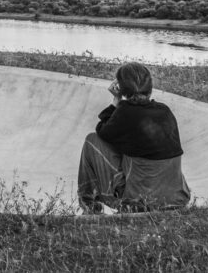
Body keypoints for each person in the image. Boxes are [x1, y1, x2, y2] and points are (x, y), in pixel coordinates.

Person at [77, 62, 191, 213]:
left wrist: (116, 101)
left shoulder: (125, 112)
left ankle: (90, 209)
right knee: (130, 155)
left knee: (91, 141)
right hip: (177, 199)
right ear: (150, 88)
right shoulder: (165, 111)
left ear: (121, 88)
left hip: (139, 204)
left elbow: (102, 131)